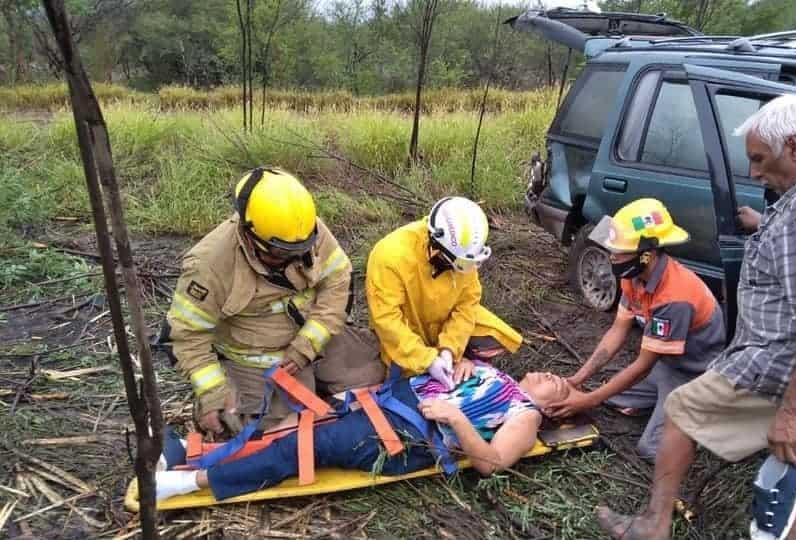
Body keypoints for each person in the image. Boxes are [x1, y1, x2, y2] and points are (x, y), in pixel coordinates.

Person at [597, 95, 796, 539]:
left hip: (782, 361)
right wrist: (766, 222)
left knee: (681, 408)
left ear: (794, 147)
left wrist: (793, 409)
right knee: (793, 459)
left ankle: (654, 525)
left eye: (759, 159)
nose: (753, 172)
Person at [161, 167, 384, 436]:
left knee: (377, 376)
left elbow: (338, 283)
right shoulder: (210, 264)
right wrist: (212, 393)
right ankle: (238, 402)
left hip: (312, 337)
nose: (293, 258)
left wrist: (307, 345)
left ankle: (320, 388)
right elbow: (186, 336)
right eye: (281, 253)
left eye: (299, 251)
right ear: (249, 234)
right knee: (277, 435)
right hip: (255, 357)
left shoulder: (303, 231)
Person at [154, 365, 579, 501]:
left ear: (550, 408)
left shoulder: (526, 414)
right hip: (393, 398)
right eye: (557, 374)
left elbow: (491, 464)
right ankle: (195, 452)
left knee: (306, 445)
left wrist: (455, 416)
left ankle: (187, 482)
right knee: (306, 417)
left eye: (559, 386)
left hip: (408, 432)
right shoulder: (495, 373)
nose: (553, 376)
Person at [548, 199, 725, 460]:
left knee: (650, 449)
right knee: (609, 397)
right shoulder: (634, 277)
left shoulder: (675, 298)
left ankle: (703, 413)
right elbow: (617, 332)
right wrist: (578, 379)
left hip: (694, 375)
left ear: (647, 254)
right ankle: (660, 403)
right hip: (667, 366)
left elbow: (642, 365)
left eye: (619, 252)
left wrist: (588, 400)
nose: (612, 257)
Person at [365, 196, 523, 389]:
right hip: (409, 327)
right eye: (458, 263)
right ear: (436, 245)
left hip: (443, 321)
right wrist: (427, 360)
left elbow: (467, 304)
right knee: (406, 368)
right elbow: (387, 319)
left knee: (495, 338)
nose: (462, 269)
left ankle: (463, 362)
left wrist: (450, 349)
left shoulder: (462, 250)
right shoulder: (390, 257)